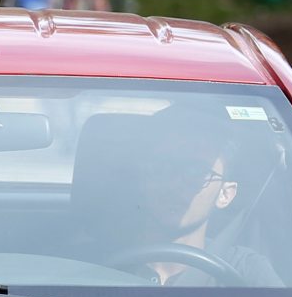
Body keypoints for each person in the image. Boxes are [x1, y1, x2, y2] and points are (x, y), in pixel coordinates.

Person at [119, 110, 282, 287]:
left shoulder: (247, 270)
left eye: (197, 172)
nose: (174, 183)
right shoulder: (92, 258)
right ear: (144, 179)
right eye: (161, 166)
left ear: (225, 194)